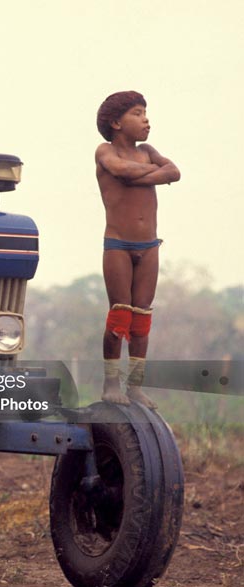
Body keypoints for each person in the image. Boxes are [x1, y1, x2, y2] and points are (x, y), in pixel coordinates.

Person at [95, 91, 180, 409]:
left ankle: (136, 386)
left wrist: (141, 175)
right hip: (118, 245)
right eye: (137, 113)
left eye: (146, 112)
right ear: (116, 122)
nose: (146, 119)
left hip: (149, 246)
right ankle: (110, 382)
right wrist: (151, 176)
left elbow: (174, 172)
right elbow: (121, 171)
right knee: (120, 314)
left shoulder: (147, 151)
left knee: (142, 317)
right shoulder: (104, 150)